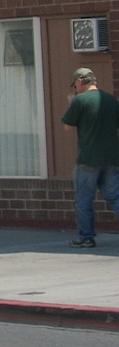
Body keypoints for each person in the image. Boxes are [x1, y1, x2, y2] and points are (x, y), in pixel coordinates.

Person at [60, 67, 119, 247]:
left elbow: (68, 126)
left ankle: (86, 237)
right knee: (115, 196)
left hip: (88, 159)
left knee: (84, 199)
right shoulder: (111, 100)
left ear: (79, 82)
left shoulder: (80, 101)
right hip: (111, 157)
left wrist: (72, 103)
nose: (75, 89)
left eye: (75, 86)